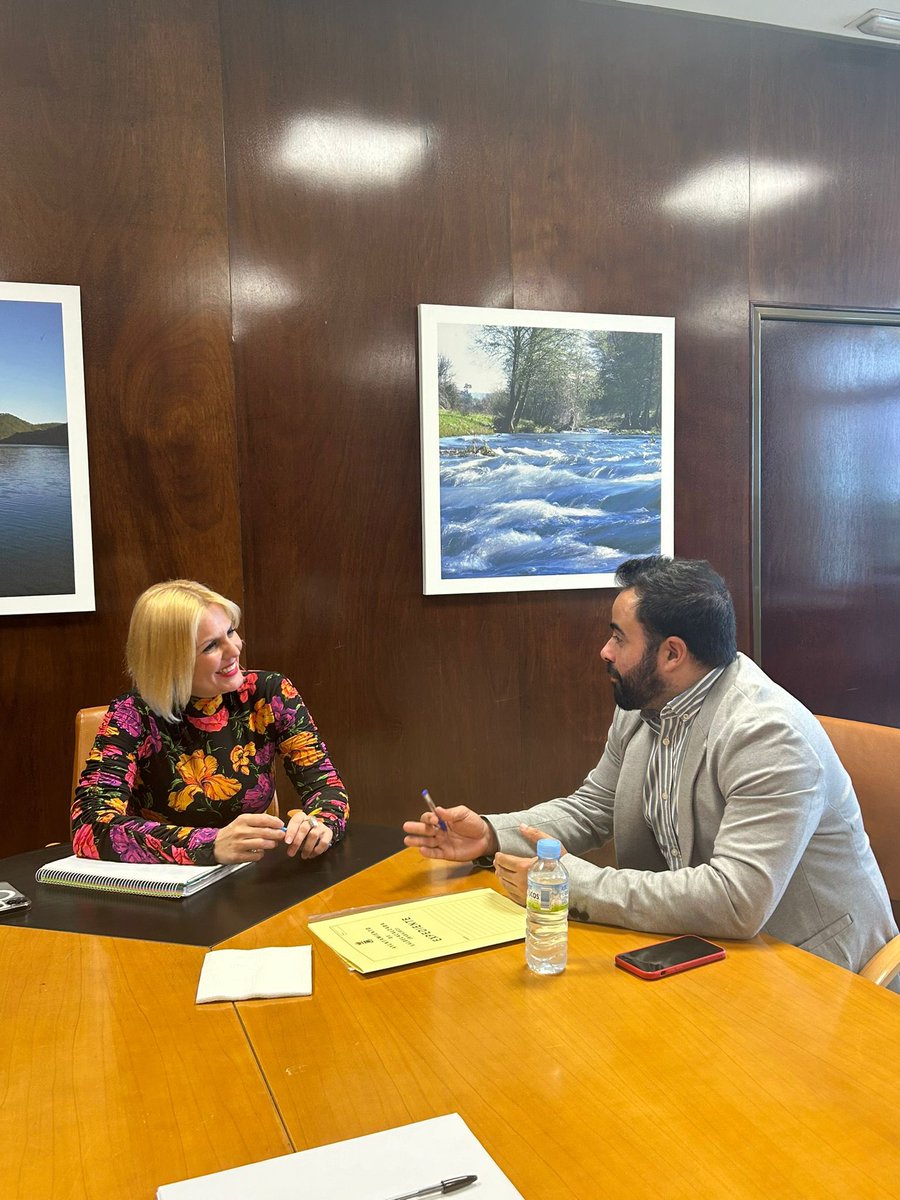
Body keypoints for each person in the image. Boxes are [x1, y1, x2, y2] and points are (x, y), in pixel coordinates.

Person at [404, 555, 899, 983]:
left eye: (619, 637)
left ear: (672, 653)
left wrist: (576, 884)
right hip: (705, 950)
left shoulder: (767, 733)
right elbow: (592, 808)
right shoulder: (643, 703)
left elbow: (735, 899)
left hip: (815, 969)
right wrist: (491, 834)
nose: (605, 651)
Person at [72, 579, 348, 866]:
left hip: (251, 880)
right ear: (172, 661)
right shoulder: (132, 714)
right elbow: (90, 827)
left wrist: (320, 824)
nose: (235, 649)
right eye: (211, 646)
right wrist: (211, 844)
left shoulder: (269, 693)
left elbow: (325, 787)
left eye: (231, 631)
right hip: (168, 893)